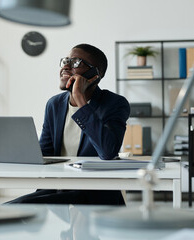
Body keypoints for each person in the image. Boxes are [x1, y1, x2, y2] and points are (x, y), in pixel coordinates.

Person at [7, 43, 130, 205]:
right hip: (57, 189)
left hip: (93, 193)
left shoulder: (115, 104)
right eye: (65, 61)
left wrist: (79, 98)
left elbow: (107, 152)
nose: (65, 66)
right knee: (6, 210)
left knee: (13, 210)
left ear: (94, 74)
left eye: (75, 62)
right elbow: (45, 153)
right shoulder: (54, 104)